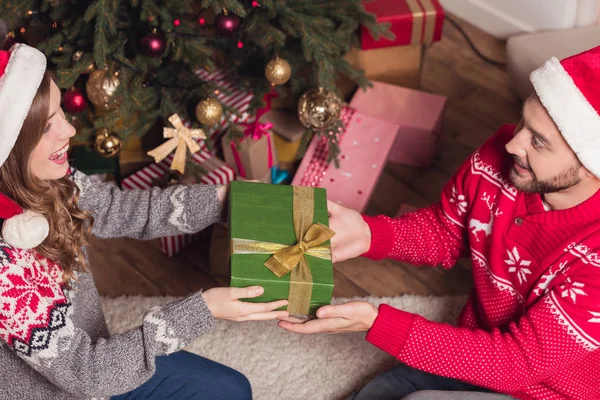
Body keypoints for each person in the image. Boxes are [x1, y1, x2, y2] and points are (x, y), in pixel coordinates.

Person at [279, 46, 600, 399]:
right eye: (525, 121)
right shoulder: (502, 158)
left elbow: (514, 364)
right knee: (380, 393)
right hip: (479, 349)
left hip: (548, 389)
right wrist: (371, 233)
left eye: (538, 142)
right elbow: (447, 231)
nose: (513, 143)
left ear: (589, 164)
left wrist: (379, 323)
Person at [0, 44, 289, 399]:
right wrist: (203, 309)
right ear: (9, 145)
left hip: (96, 362)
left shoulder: (51, 179)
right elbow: (91, 375)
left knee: (229, 390)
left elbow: (123, 210)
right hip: (80, 380)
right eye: (47, 127)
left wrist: (222, 199)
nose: (70, 131)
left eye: (61, 112)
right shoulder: (6, 270)